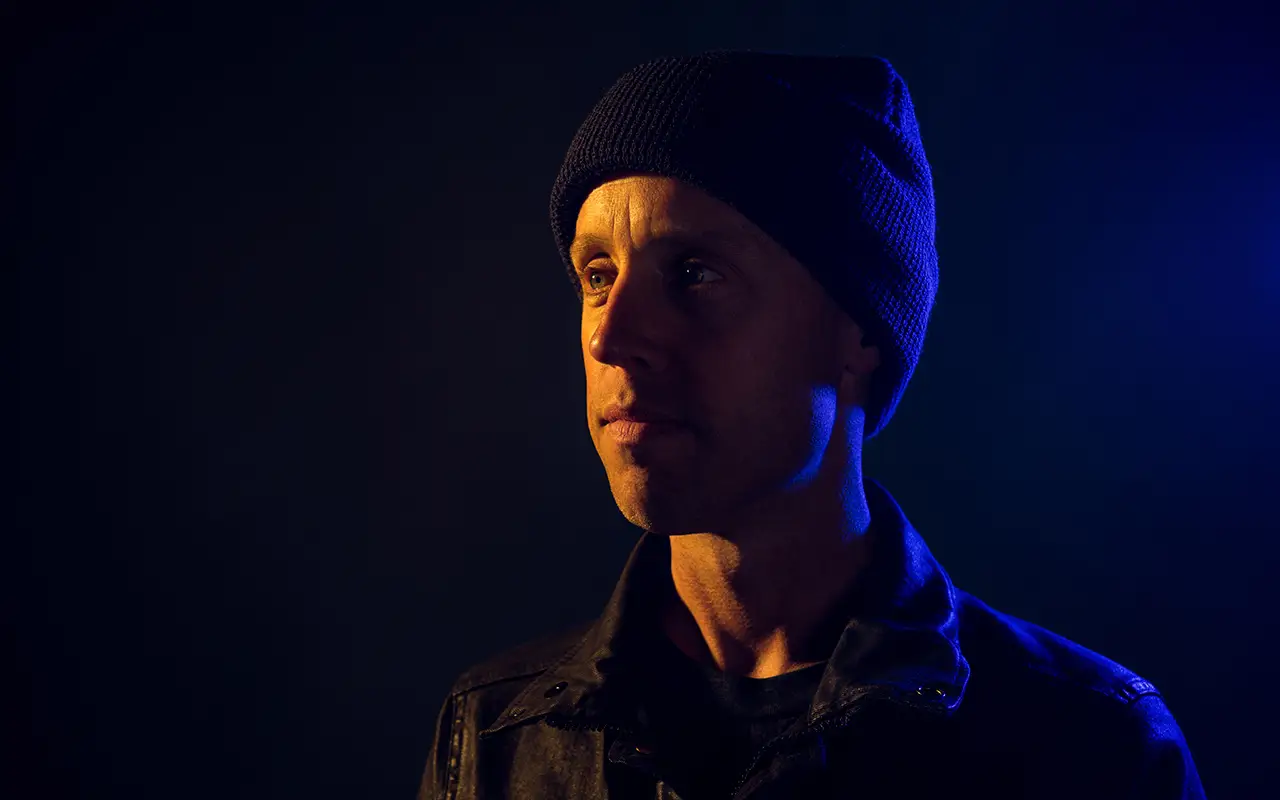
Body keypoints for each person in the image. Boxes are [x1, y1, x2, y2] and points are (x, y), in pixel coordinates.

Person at [418, 51, 1205, 799]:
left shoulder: (1088, 746)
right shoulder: (496, 735)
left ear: (856, 337)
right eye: (598, 275)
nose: (610, 336)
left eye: (693, 273)